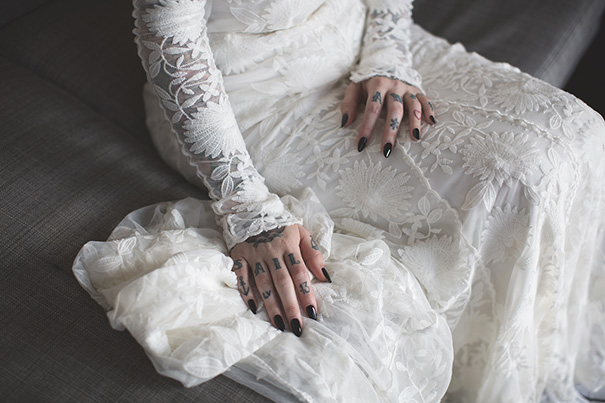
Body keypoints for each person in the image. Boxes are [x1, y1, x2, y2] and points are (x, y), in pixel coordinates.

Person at [72, 0, 605, 401]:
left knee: (580, 131)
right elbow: (170, 39)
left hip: (364, 43)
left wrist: (389, 52)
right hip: (252, 101)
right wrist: (248, 209)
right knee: (507, 192)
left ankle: (547, 358)